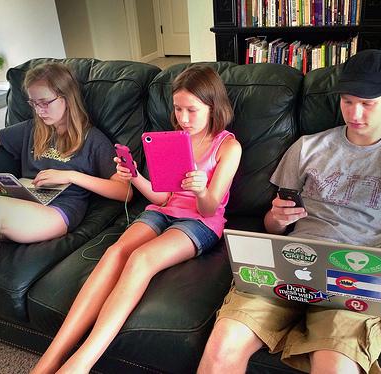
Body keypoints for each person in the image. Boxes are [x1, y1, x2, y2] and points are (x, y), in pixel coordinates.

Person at [198, 49, 381, 374]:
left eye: (368, 103)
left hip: (356, 275)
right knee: (222, 347)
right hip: (290, 262)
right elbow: (272, 224)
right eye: (348, 101)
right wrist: (276, 220)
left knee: (334, 366)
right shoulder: (307, 147)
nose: (355, 113)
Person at [30, 64, 242, 374]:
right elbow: (162, 198)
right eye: (178, 109)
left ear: (213, 107)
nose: (183, 119)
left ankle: (81, 363)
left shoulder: (228, 146)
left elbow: (210, 209)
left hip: (200, 223)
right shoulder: (174, 139)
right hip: (162, 212)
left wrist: (201, 190)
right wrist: (136, 177)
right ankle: (49, 360)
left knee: (141, 259)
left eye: (192, 110)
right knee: (115, 252)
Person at [0, 62, 131, 369]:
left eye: (45, 102)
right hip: (17, 203)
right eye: (32, 103)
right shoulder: (32, 129)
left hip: (55, 213)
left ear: (67, 97)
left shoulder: (93, 141)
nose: (39, 110)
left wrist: (72, 176)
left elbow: (125, 191)